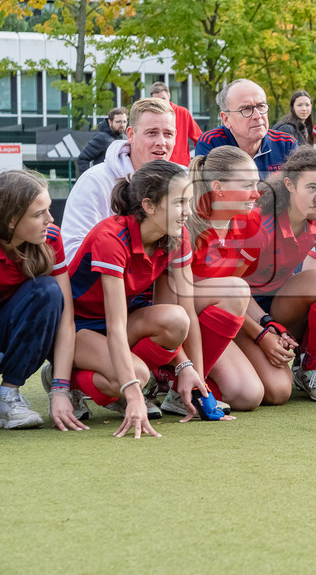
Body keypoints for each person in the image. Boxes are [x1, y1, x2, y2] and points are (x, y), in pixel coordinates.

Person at [69, 161, 229, 439]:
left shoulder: (177, 235)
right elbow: (115, 327)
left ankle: (123, 376)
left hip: (122, 321)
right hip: (76, 327)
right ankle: (66, 377)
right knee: (138, 375)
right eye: (179, 203)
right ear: (149, 205)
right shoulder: (111, 238)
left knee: (176, 319)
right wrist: (134, 395)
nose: (188, 212)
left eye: (189, 202)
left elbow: (186, 312)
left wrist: (192, 375)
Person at [237, 147, 316, 404]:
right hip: (240, 309)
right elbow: (231, 288)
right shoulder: (260, 220)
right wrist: (262, 332)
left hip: (278, 304)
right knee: (277, 392)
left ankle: (311, 367)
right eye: (312, 188)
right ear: (289, 184)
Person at [182, 146, 277, 413]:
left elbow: (238, 293)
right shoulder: (186, 223)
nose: (256, 193)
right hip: (180, 321)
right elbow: (179, 301)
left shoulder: (252, 223)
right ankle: (179, 379)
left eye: (256, 184)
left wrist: (266, 326)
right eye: (247, 185)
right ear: (218, 187)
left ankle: (189, 380)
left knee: (262, 393)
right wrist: (257, 334)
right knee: (248, 395)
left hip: (218, 322)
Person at [0, 171, 86, 431]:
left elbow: (66, 321)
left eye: (48, 209)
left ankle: (7, 397)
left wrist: (60, 389)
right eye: (39, 214)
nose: (50, 219)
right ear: (11, 221)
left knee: (47, 291)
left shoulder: (51, 238)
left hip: (4, 331)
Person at [62, 97, 177, 261]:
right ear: (131, 135)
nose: (161, 142)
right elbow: (72, 255)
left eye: (168, 134)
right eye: (151, 133)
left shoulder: (181, 182)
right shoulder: (94, 181)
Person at [194, 79, 297, 180]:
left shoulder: (286, 144)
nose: (257, 116)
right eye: (246, 109)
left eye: (261, 106)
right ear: (226, 119)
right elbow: (208, 189)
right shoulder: (211, 144)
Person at [149, 81, 202, 167]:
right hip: (157, 165)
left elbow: (199, 139)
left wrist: (198, 163)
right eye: (157, 100)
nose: (161, 103)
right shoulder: (149, 116)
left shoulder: (183, 113)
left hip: (181, 165)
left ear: (169, 95)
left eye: (163, 99)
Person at [78, 107, 127, 174]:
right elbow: (83, 158)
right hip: (103, 178)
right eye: (118, 122)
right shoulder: (101, 138)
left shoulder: (125, 139)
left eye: (124, 121)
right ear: (110, 122)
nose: (122, 124)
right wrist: (89, 178)